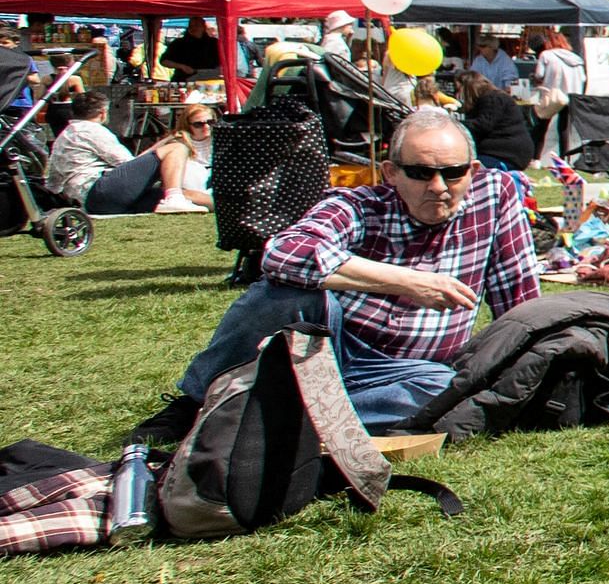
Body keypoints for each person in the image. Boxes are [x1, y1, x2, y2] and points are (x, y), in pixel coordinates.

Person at [168, 104, 535, 429]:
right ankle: (195, 402)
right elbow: (282, 252)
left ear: (472, 170)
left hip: (411, 373)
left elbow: (519, 297)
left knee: (447, 388)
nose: (439, 186)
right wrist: (406, 282)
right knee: (280, 294)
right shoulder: (359, 205)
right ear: (391, 173)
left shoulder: (495, 195)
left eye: (453, 173)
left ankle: (273, 413)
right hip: (328, 348)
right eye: (421, 174)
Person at [78, 101, 212, 215]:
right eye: (198, 124)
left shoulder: (220, 141)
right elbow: (129, 161)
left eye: (211, 122)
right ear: (188, 125)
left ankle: (176, 197)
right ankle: (174, 197)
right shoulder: (177, 141)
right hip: (106, 190)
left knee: (206, 201)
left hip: (123, 202)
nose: (206, 127)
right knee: (178, 148)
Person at [454, 63, 540, 171]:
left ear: (468, 88)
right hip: (504, 151)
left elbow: (483, 125)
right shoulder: (486, 100)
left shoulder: (493, 98)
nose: (457, 94)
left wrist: (456, 124)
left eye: (459, 90)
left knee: (465, 169)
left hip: (507, 153)